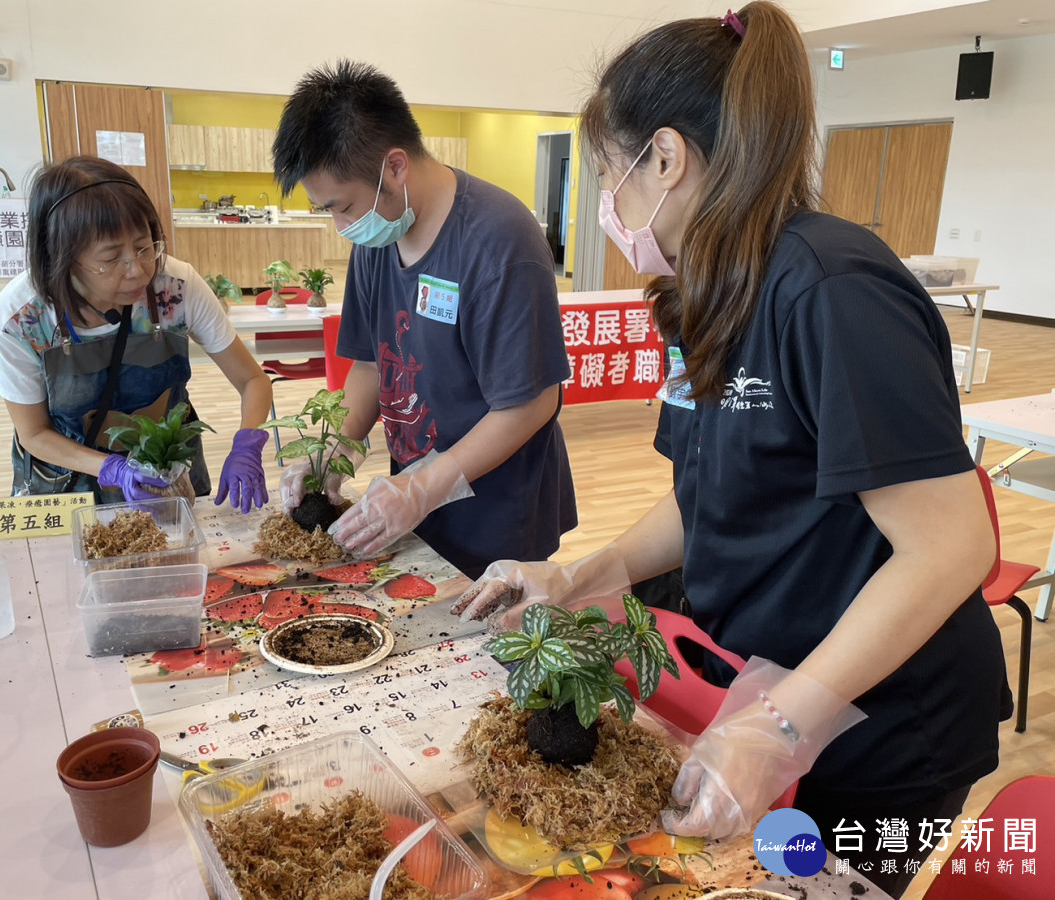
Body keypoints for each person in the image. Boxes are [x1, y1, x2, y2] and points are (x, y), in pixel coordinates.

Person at [452, 4, 1008, 896]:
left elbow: (949, 546)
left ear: (664, 159)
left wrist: (779, 730)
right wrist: (582, 575)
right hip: (764, 682)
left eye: (611, 176)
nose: (613, 206)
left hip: (880, 721)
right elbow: (705, 490)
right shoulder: (710, 289)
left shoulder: (832, 289)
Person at [271, 60, 576, 578]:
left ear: (394, 167)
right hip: (413, 507)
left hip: (497, 515)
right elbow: (370, 366)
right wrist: (333, 452)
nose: (342, 226)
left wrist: (422, 486)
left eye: (342, 206)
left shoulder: (500, 241)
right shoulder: (379, 235)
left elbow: (532, 403)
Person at [0, 156, 273, 511]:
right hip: (67, 481)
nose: (137, 271)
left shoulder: (176, 287)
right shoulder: (20, 319)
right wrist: (112, 468)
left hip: (169, 473)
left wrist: (247, 441)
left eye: (144, 246)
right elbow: (34, 433)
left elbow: (252, 380)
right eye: (111, 257)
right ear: (61, 256)